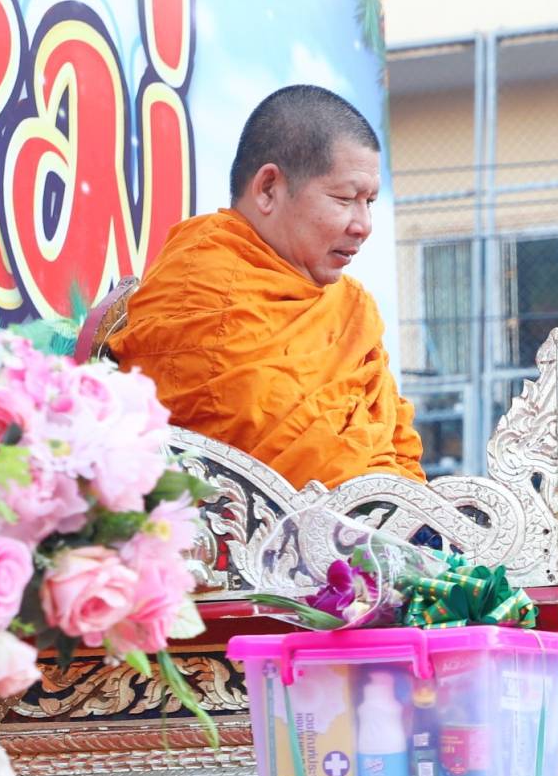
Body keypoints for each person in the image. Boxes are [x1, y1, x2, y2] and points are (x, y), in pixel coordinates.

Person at [111, 84, 425, 489]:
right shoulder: (202, 290)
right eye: (345, 198)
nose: (363, 225)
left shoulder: (349, 307)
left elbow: (395, 442)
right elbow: (275, 474)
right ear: (267, 189)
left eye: (370, 202)